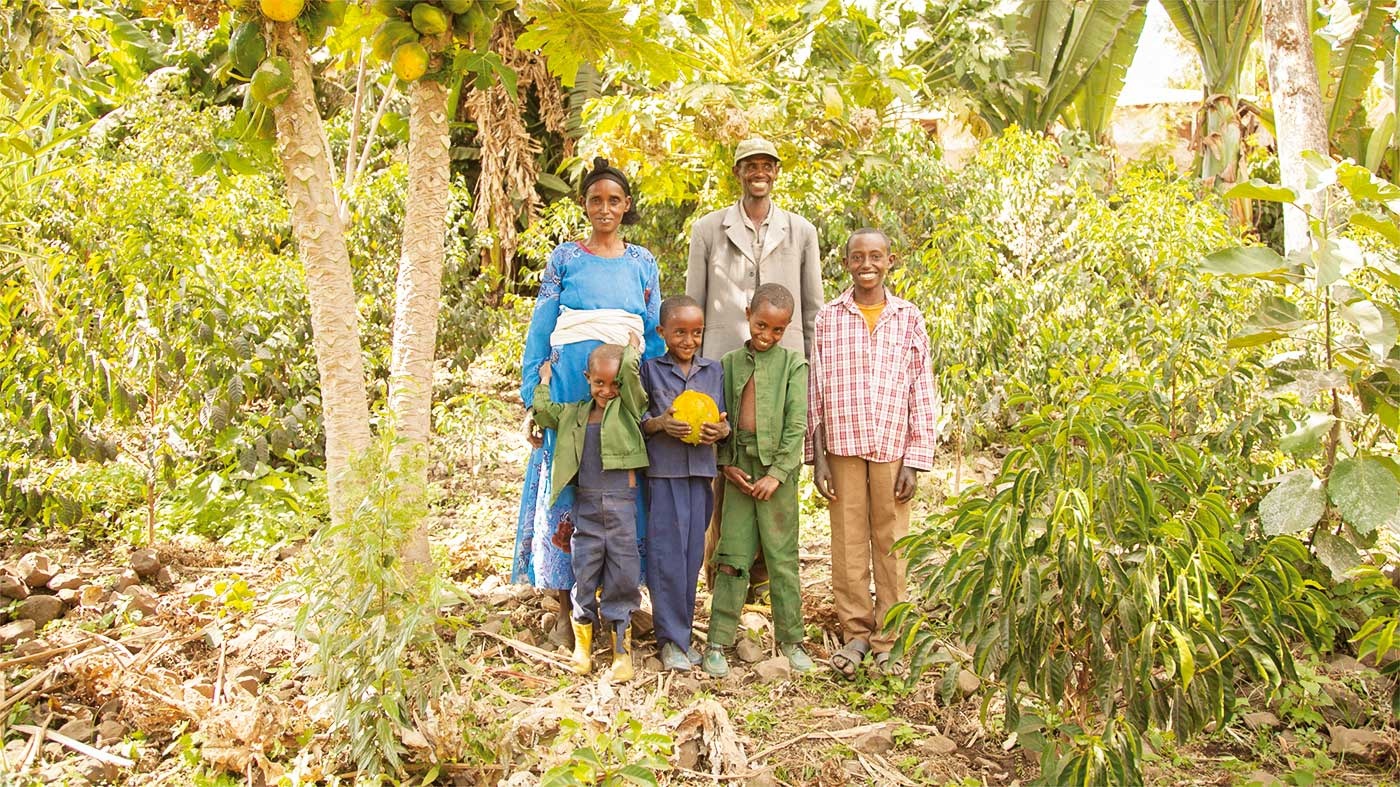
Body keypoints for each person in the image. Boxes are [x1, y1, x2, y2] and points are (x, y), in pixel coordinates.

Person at [514, 158, 664, 650]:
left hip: (623, 392)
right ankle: (565, 608)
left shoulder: (642, 262)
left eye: (614, 200)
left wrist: (657, 397)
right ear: (585, 205)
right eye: (596, 199)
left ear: (626, 207)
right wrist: (531, 400)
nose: (605, 208)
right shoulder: (565, 259)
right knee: (566, 486)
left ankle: (623, 605)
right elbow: (541, 324)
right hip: (568, 389)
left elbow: (654, 331)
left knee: (623, 490)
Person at [685, 136, 823, 599]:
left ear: (776, 172)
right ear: (738, 171)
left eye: (767, 165)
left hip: (783, 370)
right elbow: (695, 307)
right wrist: (698, 375)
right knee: (725, 469)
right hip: (725, 367)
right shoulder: (709, 230)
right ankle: (722, 578)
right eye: (750, 165)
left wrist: (809, 370)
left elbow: (811, 309)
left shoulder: (800, 231)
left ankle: (764, 587)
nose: (759, 172)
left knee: (774, 470)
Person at [807, 228, 940, 678]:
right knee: (846, 542)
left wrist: (917, 458)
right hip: (842, 443)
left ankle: (889, 637)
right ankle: (856, 634)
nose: (867, 264)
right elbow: (817, 387)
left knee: (891, 541)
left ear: (890, 261)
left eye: (876, 256)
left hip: (891, 446)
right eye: (858, 256)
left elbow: (922, 387)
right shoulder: (829, 317)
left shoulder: (908, 317)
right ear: (846, 263)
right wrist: (817, 454)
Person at [702, 283, 812, 677]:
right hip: (738, 471)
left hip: (776, 479)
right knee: (731, 556)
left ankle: (792, 640)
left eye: (777, 330)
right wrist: (726, 464)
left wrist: (778, 474)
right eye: (761, 325)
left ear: (787, 329)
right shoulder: (728, 363)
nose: (766, 335)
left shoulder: (793, 366)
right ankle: (718, 640)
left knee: (782, 559)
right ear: (748, 314)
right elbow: (721, 419)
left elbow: (797, 424)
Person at [531, 339, 648, 681]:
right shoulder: (575, 414)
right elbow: (544, 411)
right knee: (585, 572)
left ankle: (621, 652)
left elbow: (628, 374)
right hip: (586, 507)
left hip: (621, 508)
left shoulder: (628, 410)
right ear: (587, 378)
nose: (607, 390)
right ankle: (583, 647)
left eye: (614, 384)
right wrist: (543, 382)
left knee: (623, 576)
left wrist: (631, 350)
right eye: (599, 383)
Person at [640, 295, 730, 672]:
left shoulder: (713, 371)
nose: (689, 341)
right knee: (666, 558)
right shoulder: (649, 370)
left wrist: (720, 430)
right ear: (662, 332)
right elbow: (638, 422)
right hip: (665, 473)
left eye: (696, 333)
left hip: (701, 475)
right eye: (680, 333)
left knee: (692, 557)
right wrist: (661, 423)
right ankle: (670, 641)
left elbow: (724, 422)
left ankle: (683, 634)